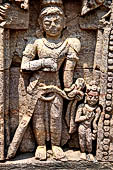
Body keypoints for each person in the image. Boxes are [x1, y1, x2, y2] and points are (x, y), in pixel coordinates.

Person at [21, 0, 81, 160]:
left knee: (55, 117)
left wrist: (71, 89)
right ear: (41, 23)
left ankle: (56, 145)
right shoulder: (36, 43)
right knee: (38, 118)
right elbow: (24, 65)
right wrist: (43, 62)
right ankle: (40, 145)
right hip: (37, 87)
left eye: (57, 21)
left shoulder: (69, 43)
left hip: (56, 88)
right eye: (48, 22)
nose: (52, 25)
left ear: (65, 22)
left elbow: (68, 72)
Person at [75, 81, 101, 161]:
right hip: (82, 126)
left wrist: (95, 131)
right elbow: (77, 119)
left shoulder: (97, 109)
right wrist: (86, 117)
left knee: (89, 140)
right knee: (82, 139)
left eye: (96, 97)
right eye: (90, 96)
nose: (93, 99)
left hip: (89, 127)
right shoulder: (82, 106)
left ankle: (89, 153)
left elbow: (95, 122)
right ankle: (83, 152)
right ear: (86, 96)